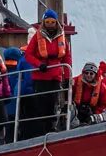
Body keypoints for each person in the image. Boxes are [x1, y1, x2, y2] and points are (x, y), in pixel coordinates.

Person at [22, 9, 71, 139]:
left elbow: (67, 58)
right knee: (41, 105)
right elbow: (28, 55)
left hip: (55, 77)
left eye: (52, 21)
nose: (50, 24)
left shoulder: (62, 37)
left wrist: (67, 77)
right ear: (44, 22)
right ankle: (41, 133)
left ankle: (51, 130)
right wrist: (39, 64)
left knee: (53, 103)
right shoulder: (37, 37)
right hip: (40, 77)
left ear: (56, 22)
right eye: (47, 21)